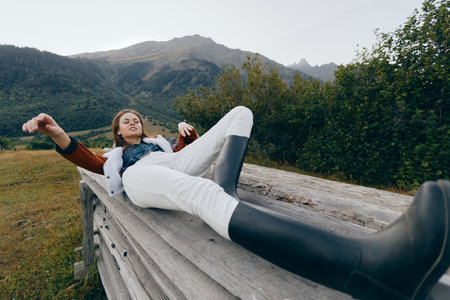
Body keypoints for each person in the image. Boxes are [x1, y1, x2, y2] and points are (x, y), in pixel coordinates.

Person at [23, 106, 450, 300]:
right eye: (125, 122)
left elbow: (186, 152)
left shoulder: (159, 144)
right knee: (199, 194)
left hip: (169, 163)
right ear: (118, 133)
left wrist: (187, 138)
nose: (132, 122)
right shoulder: (117, 158)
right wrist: (57, 133)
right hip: (142, 180)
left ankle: (225, 191)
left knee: (240, 113)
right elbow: (89, 161)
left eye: (136, 118)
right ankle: (370, 268)